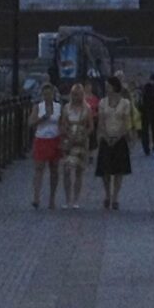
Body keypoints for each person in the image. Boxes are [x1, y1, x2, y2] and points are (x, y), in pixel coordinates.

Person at [95, 76, 137, 211]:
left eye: (108, 86)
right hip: (106, 137)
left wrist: (119, 135)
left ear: (114, 87)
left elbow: (126, 122)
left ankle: (115, 197)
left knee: (119, 170)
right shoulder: (102, 102)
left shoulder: (125, 103)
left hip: (120, 138)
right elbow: (101, 121)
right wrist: (105, 136)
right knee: (105, 170)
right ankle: (107, 193)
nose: (107, 89)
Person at [59, 79, 95, 211]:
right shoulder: (66, 108)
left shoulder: (87, 109)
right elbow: (63, 124)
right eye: (74, 94)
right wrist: (67, 135)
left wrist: (84, 135)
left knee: (79, 171)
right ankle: (67, 198)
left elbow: (91, 126)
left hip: (81, 141)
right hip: (69, 141)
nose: (76, 97)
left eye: (79, 94)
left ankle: (75, 199)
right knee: (67, 169)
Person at [29, 82, 66, 209]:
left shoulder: (58, 107)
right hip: (41, 138)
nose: (47, 96)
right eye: (45, 94)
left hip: (54, 138)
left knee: (54, 169)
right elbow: (31, 123)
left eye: (49, 93)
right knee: (39, 168)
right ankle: (36, 196)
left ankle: (52, 198)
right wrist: (43, 118)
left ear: (53, 94)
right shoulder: (38, 107)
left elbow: (62, 124)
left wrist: (62, 139)